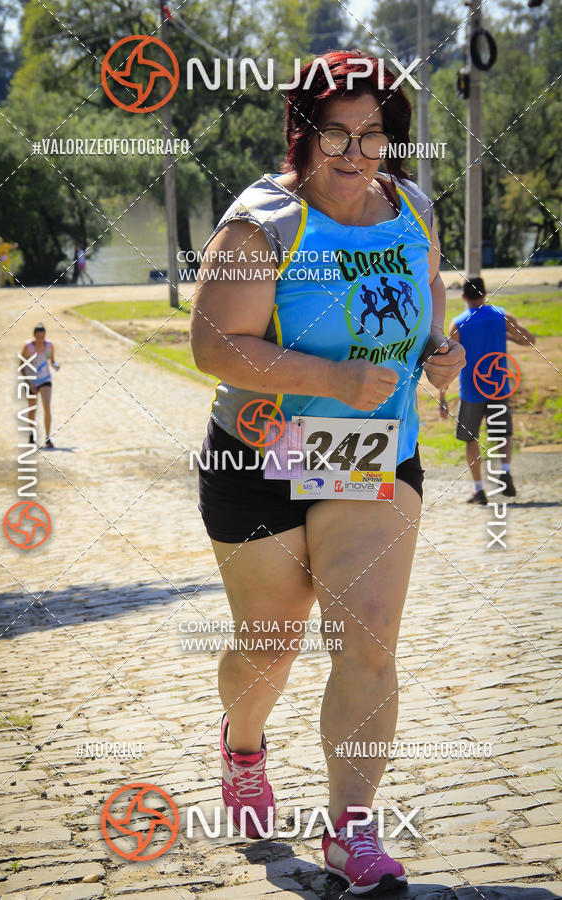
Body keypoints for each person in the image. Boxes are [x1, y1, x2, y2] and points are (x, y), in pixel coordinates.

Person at [190, 51, 465, 896]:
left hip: (372, 456)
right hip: (262, 455)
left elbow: (426, 301)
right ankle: (243, 746)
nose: (354, 151)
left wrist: (441, 354)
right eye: (335, 133)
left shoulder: (411, 207)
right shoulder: (263, 222)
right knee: (268, 647)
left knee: (368, 638)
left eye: (372, 133)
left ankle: (352, 831)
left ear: (392, 138)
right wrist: (335, 380)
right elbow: (214, 345)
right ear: (302, 134)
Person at [439, 277, 535, 504]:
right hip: (499, 388)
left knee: (471, 439)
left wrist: (442, 398)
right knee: (504, 433)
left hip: (471, 391)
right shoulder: (501, 316)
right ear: (485, 293)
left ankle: (479, 490)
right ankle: (505, 471)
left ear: (464, 297)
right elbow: (529, 340)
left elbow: (447, 363)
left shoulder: (459, 323)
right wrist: (507, 335)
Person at [19, 324, 60, 449]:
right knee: (32, 409)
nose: (41, 340)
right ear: (34, 336)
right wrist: (29, 383)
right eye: (38, 337)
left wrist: (56, 365)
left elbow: (52, 360)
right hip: (31, 380)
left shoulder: (49, 345)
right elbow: (21, 365)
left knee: (47, 406)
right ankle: (31, 434)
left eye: (43, 337)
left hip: (45, 379)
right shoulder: (28, 347)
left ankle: (48, 438)